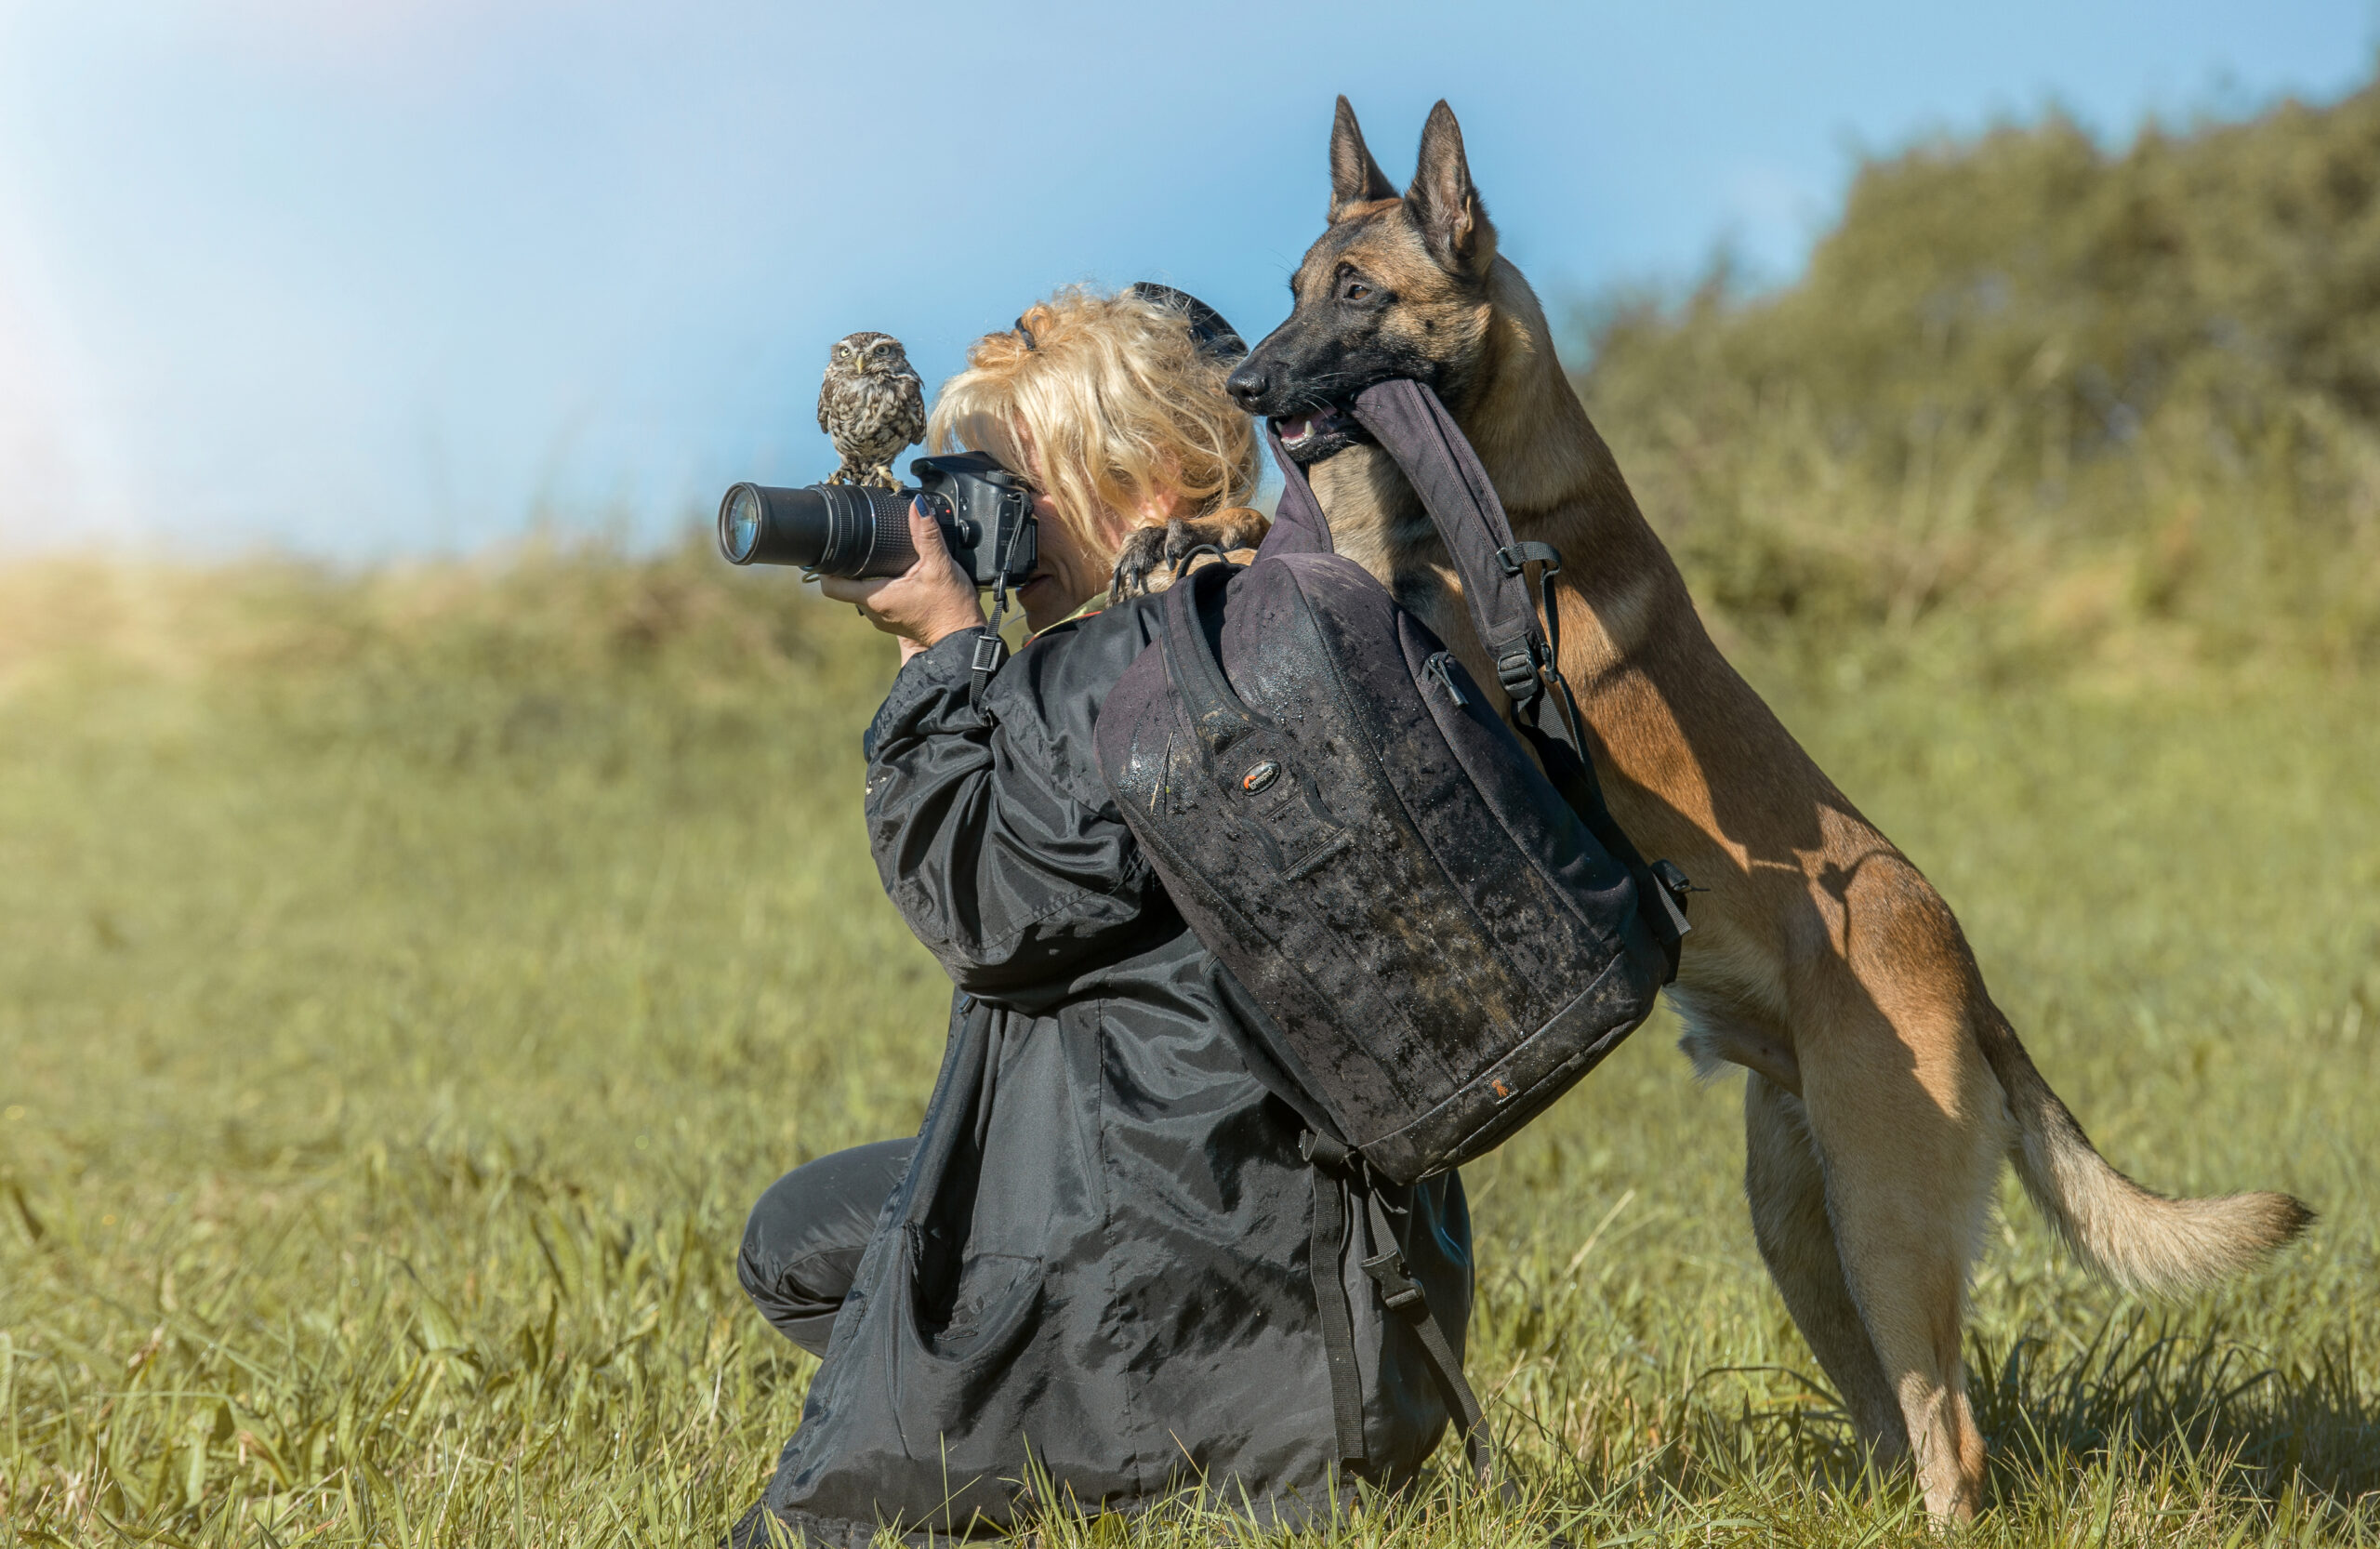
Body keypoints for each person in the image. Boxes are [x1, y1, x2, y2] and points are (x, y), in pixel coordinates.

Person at [730, 285, 1474, 1548]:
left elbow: (978, 900)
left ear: (1146, 485)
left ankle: (1096, 1443)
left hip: (1180, 1264)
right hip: (1355, 1306)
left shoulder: (1126, 670)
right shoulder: (1285, 621)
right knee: (803, 1236)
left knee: (850, 1328)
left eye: (1015, 495)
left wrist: (939, 656)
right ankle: (1093, 1424)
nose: (991, 535)